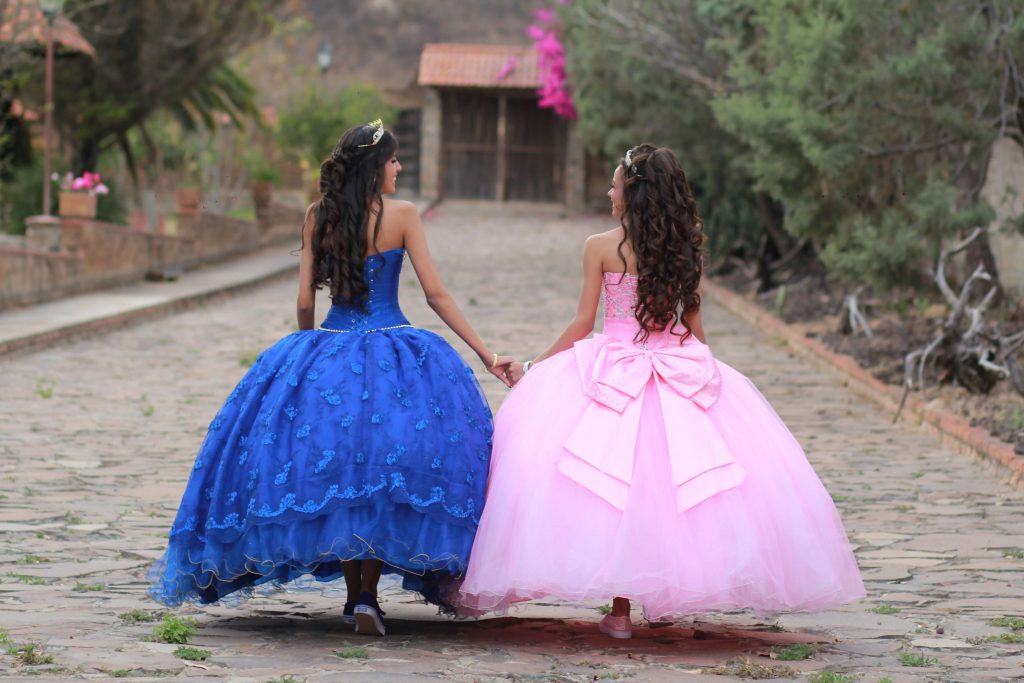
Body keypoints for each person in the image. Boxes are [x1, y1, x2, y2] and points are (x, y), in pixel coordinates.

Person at [458, 144, 865, 638]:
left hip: (612, 372)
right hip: (674, 366)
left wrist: (532, 367)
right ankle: (664, 600)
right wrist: (707, 378)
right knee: (671, 491)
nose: (609, 192)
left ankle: (622, 613)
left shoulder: (601, 246)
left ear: (632, 192)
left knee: (616, 488)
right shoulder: (684, 248)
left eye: (614, 184)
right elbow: (692, 327)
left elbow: (584, 323)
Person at [149, 120, 512, 637]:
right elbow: (436, 294)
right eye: (392, 161)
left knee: (343, 470)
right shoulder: (403, 216)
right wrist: (485, 353)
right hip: (395, 341)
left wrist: (303, 356)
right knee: (384, 465)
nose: (399, 168)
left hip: (331, 341)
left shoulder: (318, 216)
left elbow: (304, 301)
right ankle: (366, 595)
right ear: (373, 168)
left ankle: (355, 597)